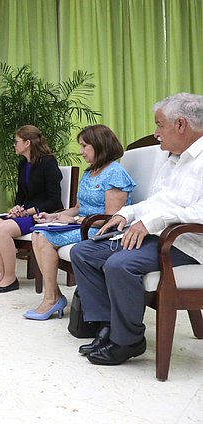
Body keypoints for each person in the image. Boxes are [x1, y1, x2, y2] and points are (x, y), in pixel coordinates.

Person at [70, 93, 203, 366]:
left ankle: (128, 341)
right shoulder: (173, 159)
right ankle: (107, 327)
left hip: (186, 243)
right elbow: (156, 202)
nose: (156, 134)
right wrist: (124, 214)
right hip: (158, 237)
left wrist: (152, 222)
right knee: (84, 252)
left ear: (180, 125)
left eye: (159, 125)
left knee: (120, 264)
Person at [25, 124, 135, 320]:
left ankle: (52, 299)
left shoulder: (115, 172)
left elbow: (110, 219)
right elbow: (78, 206)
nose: (81, 151)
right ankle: (53, 296)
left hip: (102, 232)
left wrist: (75, 219)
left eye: (85, 146)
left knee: (42, 237)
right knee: (39, 232)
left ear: (99, 145)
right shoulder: (89, 172)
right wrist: (54, 216)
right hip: (83, 224)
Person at [0, 125, 63, 293]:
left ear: (27, 143)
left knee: (3, 229)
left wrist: (28, 211)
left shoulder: (48, 162)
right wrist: (17, 206)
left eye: (16, 141)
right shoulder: (23, 164)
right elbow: (21, 194)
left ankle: (11, 278)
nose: (14, 145)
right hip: (26, 211)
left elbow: (54, 200)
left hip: (44, 213)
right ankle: (2, 275)